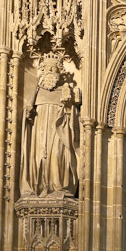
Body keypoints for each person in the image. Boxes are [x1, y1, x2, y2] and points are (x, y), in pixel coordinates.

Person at [20, 52, 81, 198]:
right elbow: (29, 120)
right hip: (40, 132)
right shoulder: (37, 93)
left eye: (54, 69)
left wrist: (68, 106)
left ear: (60, 72)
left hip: (59, 132)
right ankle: (38, 186)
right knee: (39, 156)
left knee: (57, 156)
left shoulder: (65, 91)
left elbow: (74, 119)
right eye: (47, 69)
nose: (50, 72)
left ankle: (58, 186)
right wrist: (28, 114)